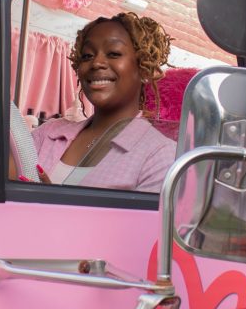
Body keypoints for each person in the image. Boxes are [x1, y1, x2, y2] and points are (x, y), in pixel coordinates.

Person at [29, 12, 176, 192]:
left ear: (145, 69)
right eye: (87, 56)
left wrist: (53, 206)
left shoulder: (160, 155)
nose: (97, 62)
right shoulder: (48, 133)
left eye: (113, 53)